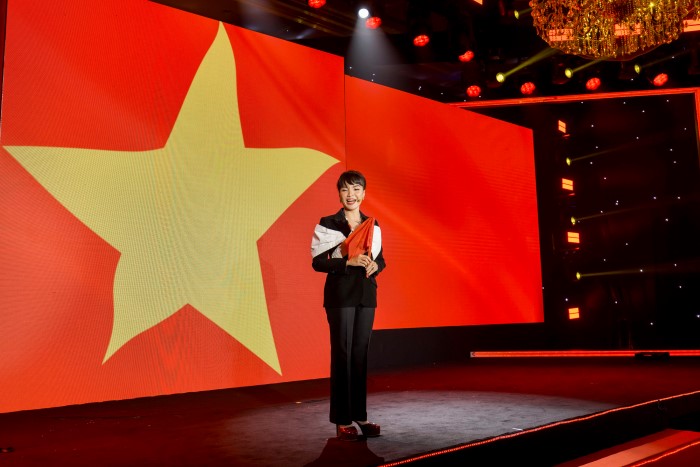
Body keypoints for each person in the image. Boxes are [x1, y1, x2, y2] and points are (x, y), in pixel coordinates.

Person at [311, 170, 386, 441]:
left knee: (360, 356)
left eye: (356, 189)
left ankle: (360, 415)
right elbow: (318, 262)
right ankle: (342, 420)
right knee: (342, 355)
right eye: (345, 190)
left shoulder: (372, 224)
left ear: (364, 193)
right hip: (341, 296)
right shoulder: (329, 223)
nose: (350, 194)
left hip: (366, 294)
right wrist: (347, 262)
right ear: (339, 194)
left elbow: (381, 259)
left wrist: (376, 266)